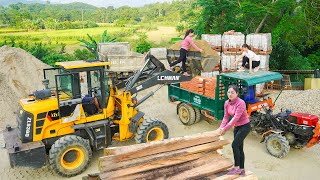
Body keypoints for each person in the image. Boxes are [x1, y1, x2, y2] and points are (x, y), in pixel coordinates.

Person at [217, 85, 251, 175]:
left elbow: (235, 118)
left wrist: (225, 129)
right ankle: (242, 169)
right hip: (237, 127)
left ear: (237, 93)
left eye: (232, 92)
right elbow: (226, 117)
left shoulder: (241, 103)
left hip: (245, 126)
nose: (230, 94)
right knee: (239, 148)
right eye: (229, 92)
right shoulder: (226, 103)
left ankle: (236, 168)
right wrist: (220, 128)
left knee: (234, 145)